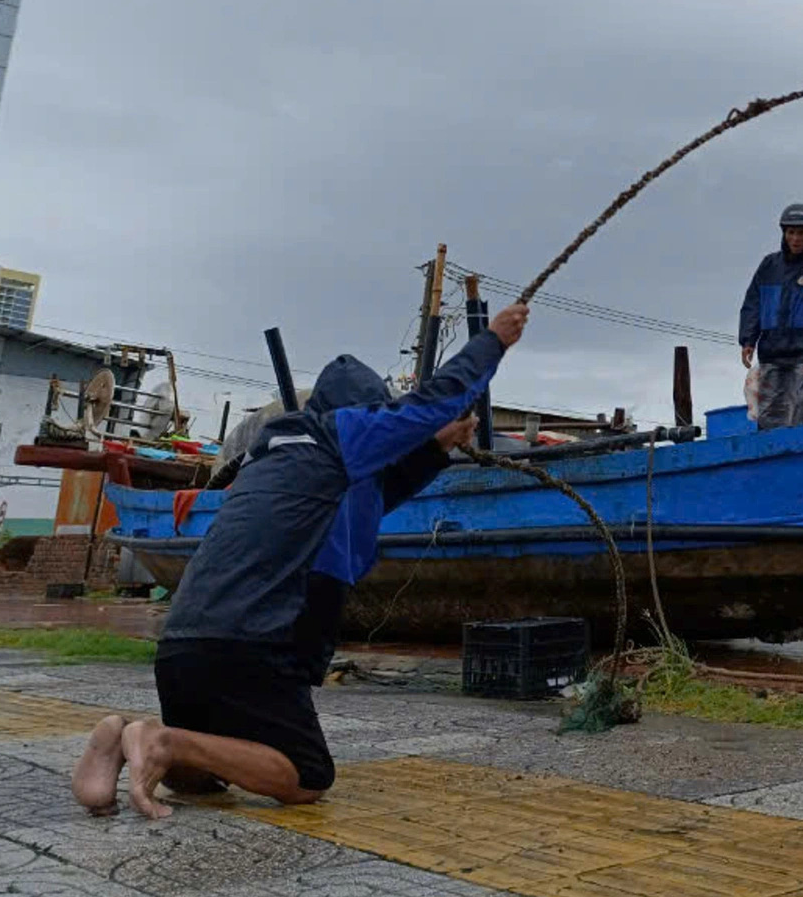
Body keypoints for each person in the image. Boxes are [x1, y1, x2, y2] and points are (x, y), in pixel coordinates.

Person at [69, 302, 529, 819]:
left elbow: (370, 494)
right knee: (306, 774)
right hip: (250, 646)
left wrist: (435, 450)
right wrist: (491, 342)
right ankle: (159, 741)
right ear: (360, 414)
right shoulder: (341, 435)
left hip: (183, 649)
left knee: (208, 775)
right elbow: (429, 404)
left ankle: (120, 734)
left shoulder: (280, 455)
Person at [738, 203, 803, 429]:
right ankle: (772, 460)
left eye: (802, 233)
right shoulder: (769, 266)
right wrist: (748, 339)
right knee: (770, 418)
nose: (796, 238)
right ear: (784, 233)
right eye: (791, 232)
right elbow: (753, 303)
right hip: (772, 355)